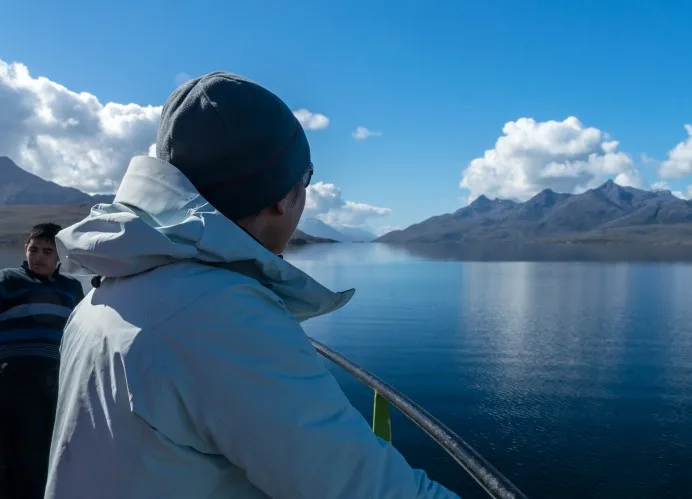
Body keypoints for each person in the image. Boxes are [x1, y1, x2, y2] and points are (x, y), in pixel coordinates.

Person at [45, 72, 458, 498]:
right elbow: (369, 489)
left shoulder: (101, 296)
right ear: (282, 193)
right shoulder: (222, 319)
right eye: (307, 177)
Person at [0, 223, 85, 499]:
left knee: (44, 451)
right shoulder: (8, 281)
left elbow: (84, 330)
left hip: (55, 381)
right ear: (25, 249)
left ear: (60, 255)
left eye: (48, 251)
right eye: (33, 249)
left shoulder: (70, 289)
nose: (38, 257)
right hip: (12, 378)